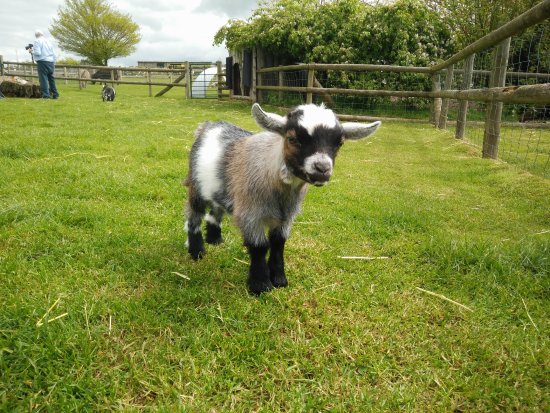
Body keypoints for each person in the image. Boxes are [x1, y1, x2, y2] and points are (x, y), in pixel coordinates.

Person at [31, 30, 59, 99]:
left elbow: (38, 53)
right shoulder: (49, 42)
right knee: (51, 79)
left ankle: (46, 95)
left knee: (43, 79)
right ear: (42, 35)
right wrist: (53, 62)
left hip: (43, 62)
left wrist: (31, 51)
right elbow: (54, 54)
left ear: (36, 36)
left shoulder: (37, 41)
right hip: (51, 62)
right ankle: (55, 94)